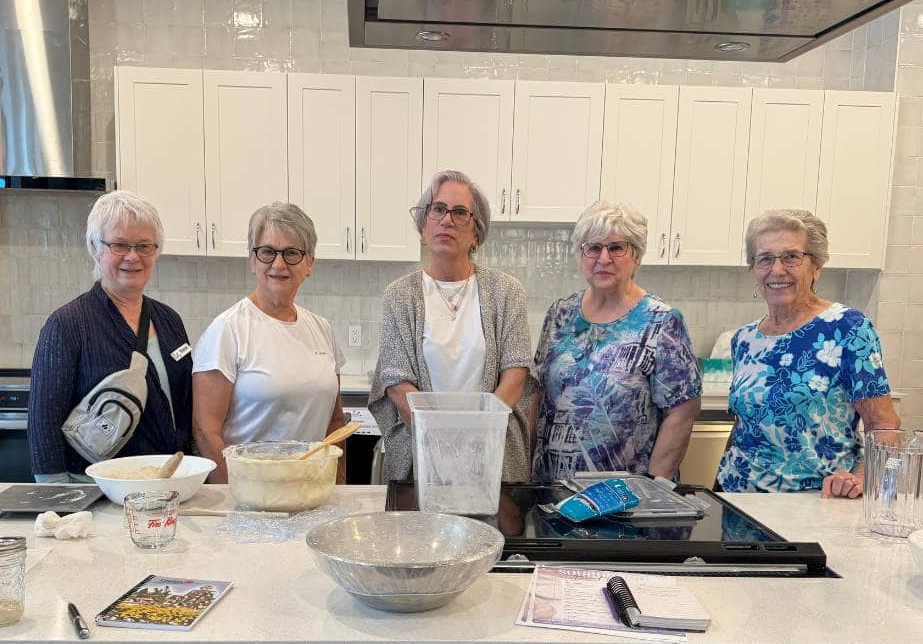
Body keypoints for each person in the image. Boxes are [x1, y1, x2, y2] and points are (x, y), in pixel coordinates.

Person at [716, 209, 899, 497]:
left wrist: (862, 479)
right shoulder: (745, 339)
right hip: (738, 498)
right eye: (765, 259)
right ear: (754, 270)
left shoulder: (847, 329)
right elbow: (749, 424)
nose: (777, 270)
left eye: (791, 257)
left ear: (816, 266)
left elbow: (885, 426)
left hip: (815, 501)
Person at [368, 170, 532, 483]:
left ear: (476, 233)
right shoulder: (400, 294)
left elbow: (515, 374)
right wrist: (443, 445)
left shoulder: (506, 291)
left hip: (492, 458)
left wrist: (477, 440)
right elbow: (396, 381)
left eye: (459, 212)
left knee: (495, 532)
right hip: (423, 458)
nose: (447, 220)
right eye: (438, 209)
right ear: (423, 224)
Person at [531, 200, 701, 482]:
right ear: (581, 254)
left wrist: (653, 490)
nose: (604, 258)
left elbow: (682, 412)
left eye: (616, 248)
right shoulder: (560, 313)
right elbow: (537, 394)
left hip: (626, 498)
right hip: (553, 490)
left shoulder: (661, 321)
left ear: (636, 255)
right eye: (593, 248)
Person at [28, 190, 193, 482]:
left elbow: (185, 408)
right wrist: (59, 500)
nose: (133, 257)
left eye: (144, 246)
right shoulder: (68, 324)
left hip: (169, 485)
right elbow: (43, 425)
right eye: (119, 245)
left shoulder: (170, 321)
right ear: (95, 246)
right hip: (97, 492)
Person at [192, 202, 346, 484]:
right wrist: (234, 498)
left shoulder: (322, 329)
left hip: (311, 492)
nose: (278, 264)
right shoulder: (228, 330)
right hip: (251, 496)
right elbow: (205, 430)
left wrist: (338, 487)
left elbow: (335, 424)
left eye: (292, 253)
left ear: (309, 263)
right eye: (267, 252)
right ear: (252, 261)